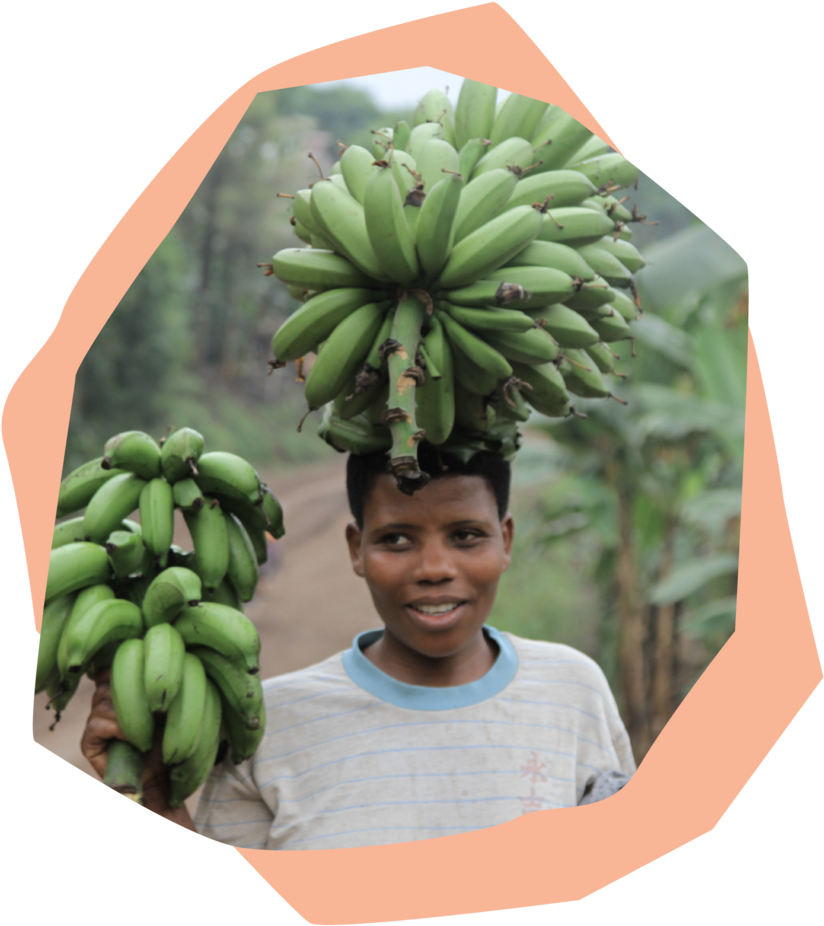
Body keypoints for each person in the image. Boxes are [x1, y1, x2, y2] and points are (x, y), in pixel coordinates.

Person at [81, 442, 636, 848]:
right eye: (397, 539)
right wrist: (156, 793)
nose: (435, 569)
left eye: (466, 536)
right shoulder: (270, 724)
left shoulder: (573, 689)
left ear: (506, 539)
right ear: (356, 548)